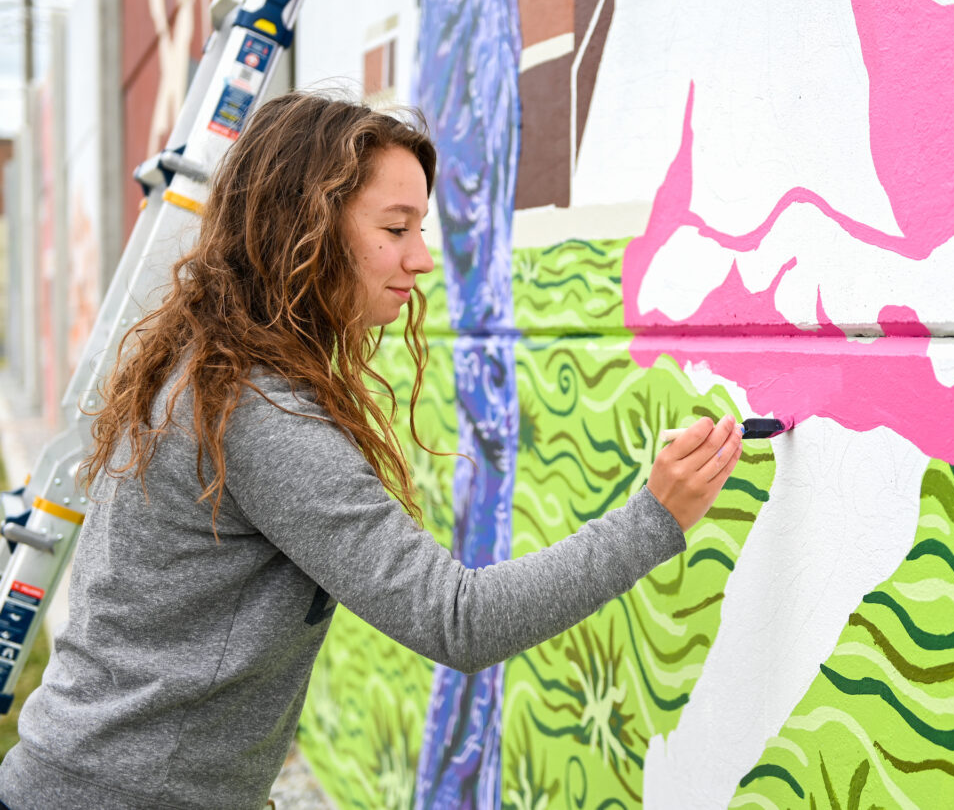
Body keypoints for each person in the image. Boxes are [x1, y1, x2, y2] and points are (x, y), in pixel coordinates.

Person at [0, 91, 744, 810]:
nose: (421, 259)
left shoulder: (208, 365)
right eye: (396, 228)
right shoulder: (256, 413)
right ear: (305, 226)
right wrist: (654, 519)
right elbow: (459, 619)